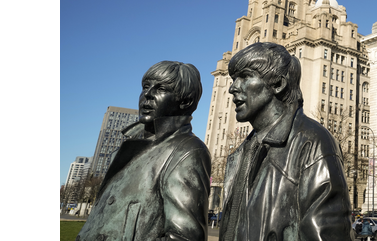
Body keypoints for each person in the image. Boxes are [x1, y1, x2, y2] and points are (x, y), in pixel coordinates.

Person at [218, 42, 352, 241]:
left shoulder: (313, 142)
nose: (233, 88)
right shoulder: (241, 153)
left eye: (245, 77)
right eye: (233, 79)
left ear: (278, 85)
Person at [77, 61, 211, 241]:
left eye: (161, 88)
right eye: (146, 86)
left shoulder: (187, 151)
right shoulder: (128, 148)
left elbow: (185, 237)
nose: (147, 94)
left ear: (185, 101)